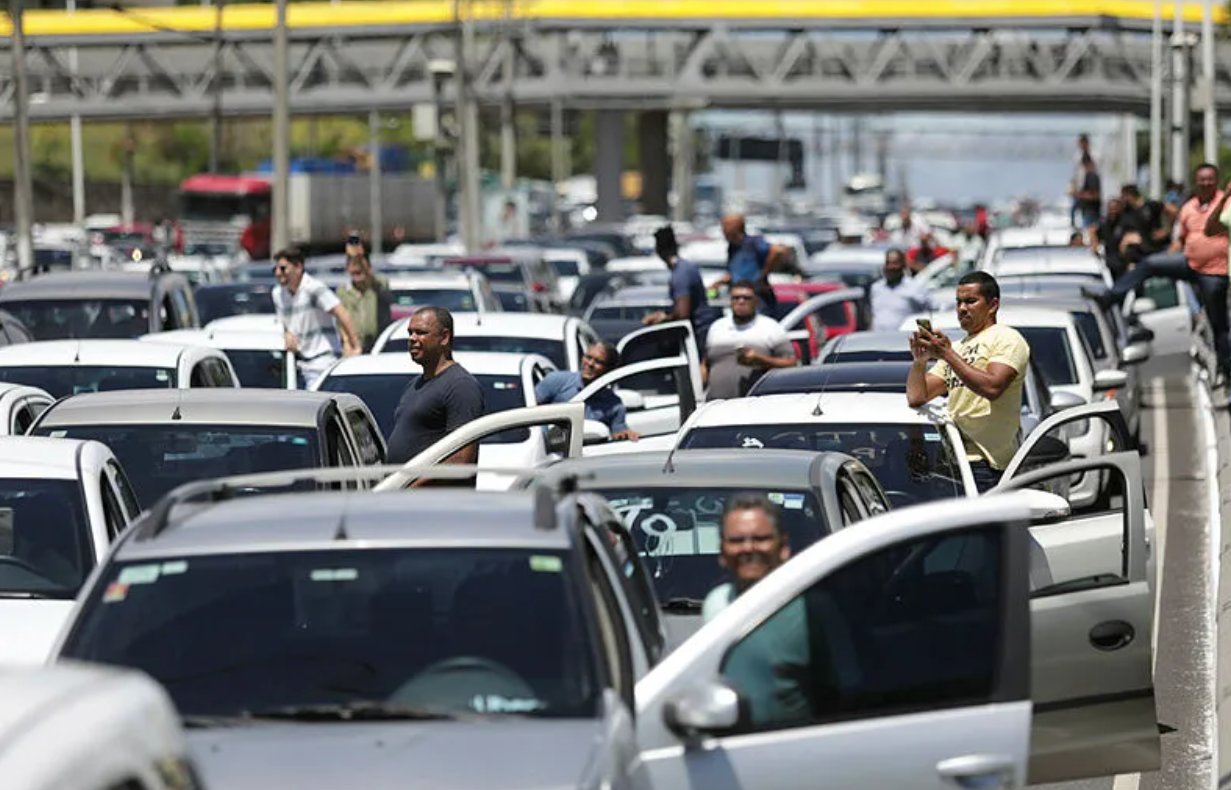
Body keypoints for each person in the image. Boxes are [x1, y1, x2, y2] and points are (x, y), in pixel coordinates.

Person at [1091, 165, 1228, 383]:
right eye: (1202, 179)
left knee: (1218, 322)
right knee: (1150, 264)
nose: (1206, 183)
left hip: (1214, 270)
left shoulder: (1225, 203)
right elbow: (1179, 240)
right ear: (1195, 181)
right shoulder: (1189, 207)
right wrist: (1164, 254)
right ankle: (1111, 297)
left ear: (1217, 180)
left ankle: (1225, 370)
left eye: (1210, 179)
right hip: (1189, 262)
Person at [906, 271, 1030, 492]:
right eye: (958, 302)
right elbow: (917, 396)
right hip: (954, 462)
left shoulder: (1007, 338)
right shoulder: (958, 347)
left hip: (988, 466)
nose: (962, 308)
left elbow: (993, 387)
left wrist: (947, 354)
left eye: (971, 301)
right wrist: (919, 361)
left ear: (992, 305)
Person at [703, 493, 809, 727]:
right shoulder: (716, 604)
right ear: (722, 551)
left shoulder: (811, 609)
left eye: (760, 539)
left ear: (783, 547)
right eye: (736, 540)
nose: (748, 548)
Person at [385, 306, 486, 467]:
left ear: (444, 337)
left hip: (426, 485)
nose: (412, 338)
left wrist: (413, 481)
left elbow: (461, 460)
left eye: (421, 332)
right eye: (410, 332)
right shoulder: (414, 385)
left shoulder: (460, 386)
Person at [271, 246, 361, 388]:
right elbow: (284, 323)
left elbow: (341, 312)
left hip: (322, 361)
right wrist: (287, 334)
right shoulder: (278, 294)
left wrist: (355, 346)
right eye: (275, 269)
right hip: (297, 363)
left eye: (283, 268)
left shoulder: (313, 288)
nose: (278, 273)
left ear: (298, 267)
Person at [705, 281, 797, 399]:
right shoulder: (717, 327)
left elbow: (791, 363)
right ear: (730, 301)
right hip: (716, 404)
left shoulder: (771, 327)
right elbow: (705, 364)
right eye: (736, 298)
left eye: (746, 298)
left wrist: (759, 360)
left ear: (756, 302)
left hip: (755, 404)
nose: (741, 301)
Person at [534, 342, 639, 441]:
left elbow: (619, 433)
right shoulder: (557, 380)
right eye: (588, 357)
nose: (590, 364)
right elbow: (529, 410)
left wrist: (627, 435)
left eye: (598, 362)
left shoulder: (614, 405)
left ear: (609, 369)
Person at [642, 225, 718, 352]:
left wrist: (662, 319)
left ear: (659, 250)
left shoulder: (680, 274)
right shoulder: (686, 267)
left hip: (698, 334)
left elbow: (683, 313)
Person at [717, 214, 789, 314]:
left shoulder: (753, 243)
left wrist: (763, 275)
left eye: (725, 226)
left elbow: (777, 251)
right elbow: (736, 272)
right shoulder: (732, 248)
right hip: (739, 298)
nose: (723, 231)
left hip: (756, 298)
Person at [336, 247, 392, 353]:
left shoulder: (376, 288)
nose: (357, 268)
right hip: (353, 347)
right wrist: (347, 343)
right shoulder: (343, 291)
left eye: (360, 265)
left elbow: (381, 284)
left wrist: (362, 260)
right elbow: (340, 321)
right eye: (352, 265)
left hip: (378, 346)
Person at [869, 248, 933, 331]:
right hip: (878, 336)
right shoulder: (876, 288)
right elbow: (873, 315)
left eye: (895, 263)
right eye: (888, 263)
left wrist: (924, 335)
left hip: (904, 337)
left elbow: (927, 314)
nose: (891, 267)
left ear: (903, 265)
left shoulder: (916, 287)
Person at [1069, 133, 1093, 226]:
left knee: (1085, 210)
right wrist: (1073, 187)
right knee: (1074, 209)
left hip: (1089, 187)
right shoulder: (1077, 156)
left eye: (1083, 143)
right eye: (1080, 143)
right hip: (1079, 187)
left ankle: (1085, 225)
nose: (1081, 145)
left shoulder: (1094, 154)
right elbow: (1075, 174)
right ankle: (1074, 225)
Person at [1073, 154, 1102, 229]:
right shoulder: (1088, 176)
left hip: (1091, 211)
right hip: (1087, 211)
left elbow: (1095, 195)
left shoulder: (1092, 177)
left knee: (1088, 231)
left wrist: (1080, 195)